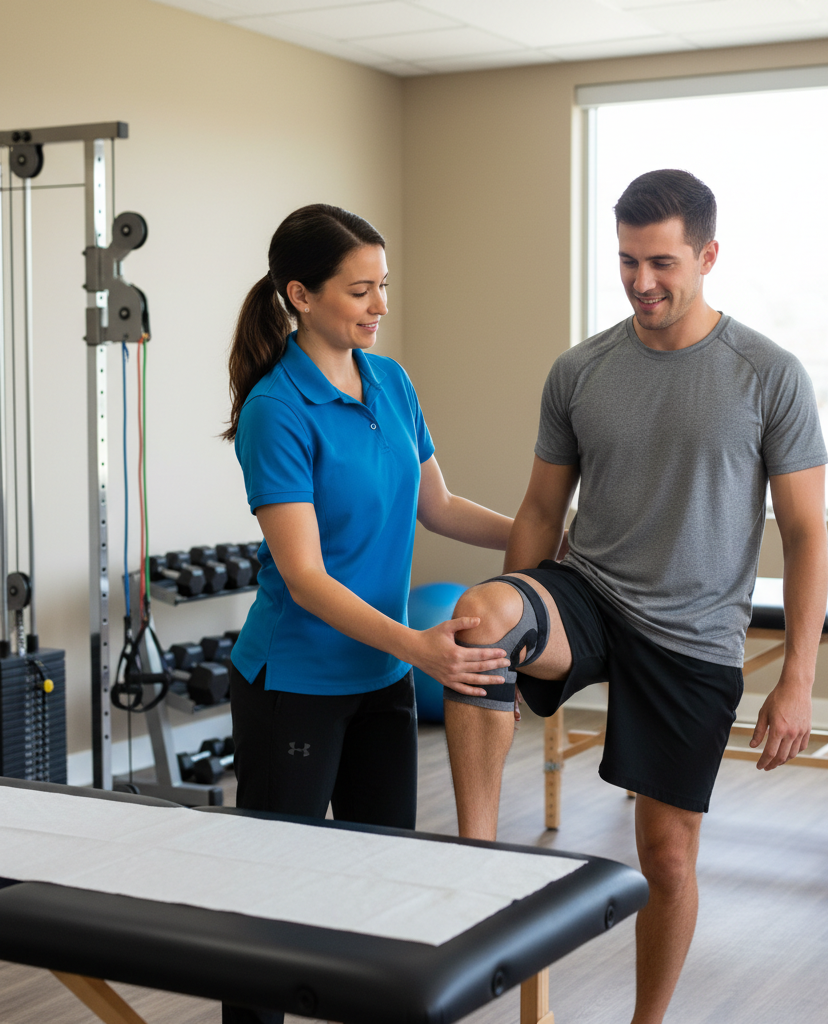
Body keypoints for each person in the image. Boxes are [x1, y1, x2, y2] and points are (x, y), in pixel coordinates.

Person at [443, 170, 828, 1024]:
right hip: (591, 591)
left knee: (667, 854)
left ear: (708, 255)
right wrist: (513, 593)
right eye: (626, 261)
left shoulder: (769, 375)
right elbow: (543, 509)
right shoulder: (581, 369)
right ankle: (475, 864)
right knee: (477, 619)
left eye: (660, 262)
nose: (641, 283)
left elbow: (805, 534)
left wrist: (796, 677)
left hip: (693, 632)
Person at [222, 204, 514, 1024]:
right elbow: (306, 578)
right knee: (273, 903)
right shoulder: (276, 411)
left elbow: (443, 506)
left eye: (383, 286)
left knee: (380, 886)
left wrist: (546, 538)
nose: (380, 304)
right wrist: (422, 648)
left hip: (380, 672)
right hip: (296, 682)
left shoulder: (391, 381)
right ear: (300, 295)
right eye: (360, 290)